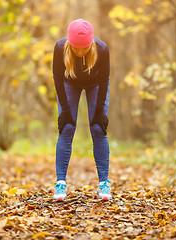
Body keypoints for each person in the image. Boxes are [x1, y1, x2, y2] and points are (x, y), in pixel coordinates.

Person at [52, 19, 111, 201]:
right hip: (69, 83)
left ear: (91, 44)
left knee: (98, 128)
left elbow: (104, 81)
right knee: (67, 127)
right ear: (70, 44)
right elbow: (57, 78)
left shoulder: (101, 49)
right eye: (76, 48)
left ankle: (104, 184)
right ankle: (60, 183)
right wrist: (65, 112)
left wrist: (100, 111)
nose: (79, 52)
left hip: (95, 85)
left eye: (84, 48)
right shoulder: (60, 48)